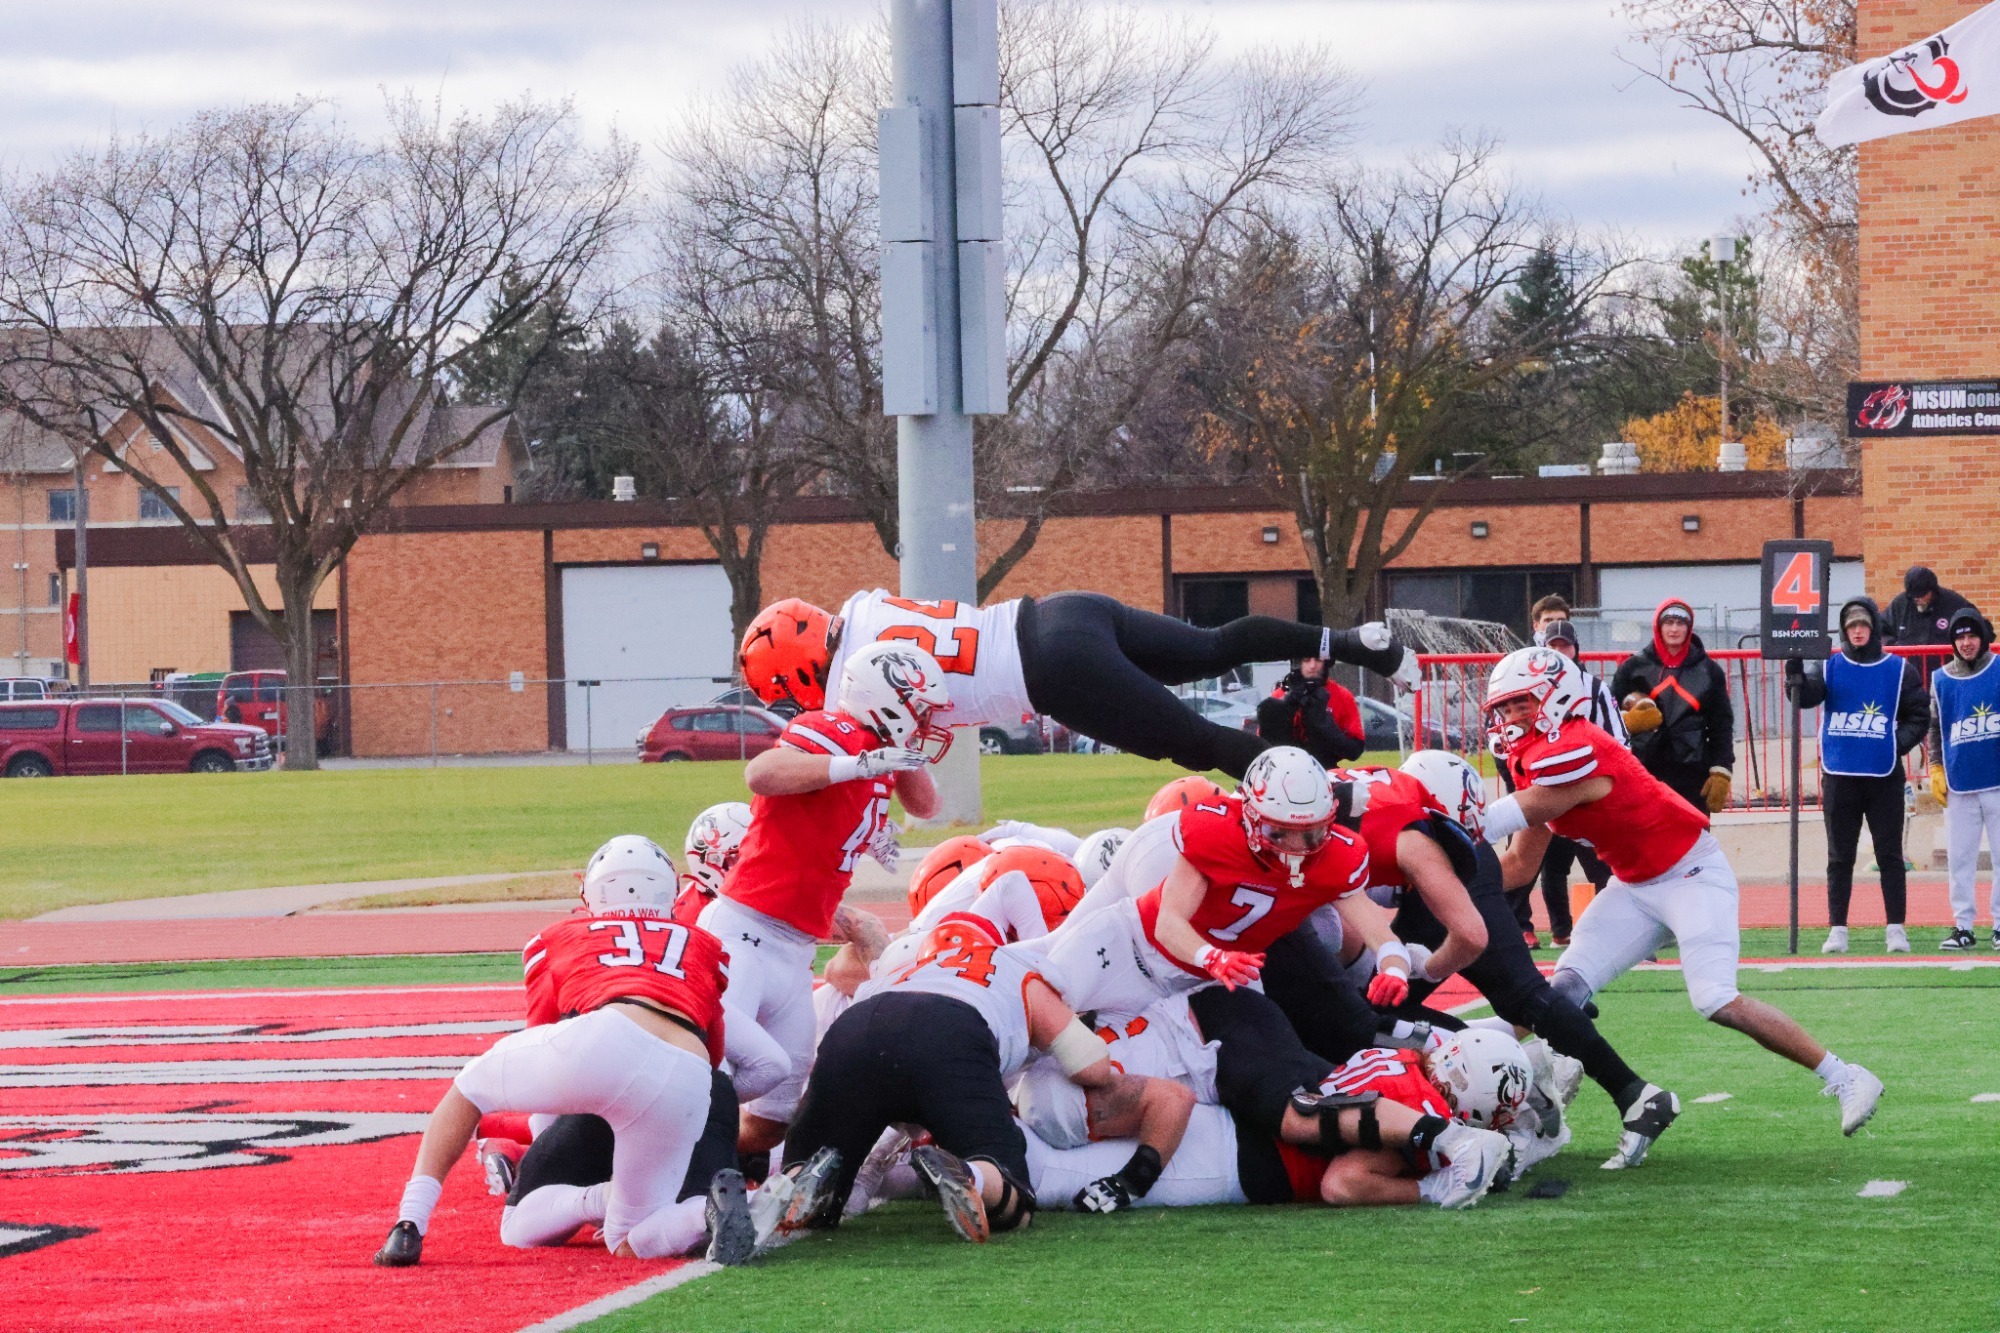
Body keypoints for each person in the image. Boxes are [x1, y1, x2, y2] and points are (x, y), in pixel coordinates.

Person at [1482, 647, 1884, 1162]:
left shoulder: (1579, 746)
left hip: (1691, 874)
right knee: (1559, 992)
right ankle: (1628, 1103)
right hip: (1632, 888)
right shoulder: (1535, 760)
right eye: (1506, 708)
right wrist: (1448, 888)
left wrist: (1438, 821)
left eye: (1522, 704)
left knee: (1714, 998)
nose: (1512, 718)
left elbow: (1507, 816)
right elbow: (1518, 864)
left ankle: (1846, 1075)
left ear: (1557, 697)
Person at [372, 836, 747, 1267]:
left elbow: (545, 1028)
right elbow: (713, 1048)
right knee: (630, 1239)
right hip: (688, 1071)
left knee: (470, 1087)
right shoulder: (703, 944)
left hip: (608, 1036)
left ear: (592, 892)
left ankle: (409, 1224)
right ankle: (709, 1212)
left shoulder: (561, 934)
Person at [783, 914, 1196, 1241]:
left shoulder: (904, 971)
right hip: (949, 1034)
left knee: (819, 1183)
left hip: (855, 1029)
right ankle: (976, 1176)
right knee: (1014, 1198)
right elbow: (1090, 1064)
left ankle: (791, 1186)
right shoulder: (1017, 968)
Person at [738, 590, 1420, 781]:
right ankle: (1353, 642)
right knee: (1211, 647)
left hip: (1052, 673)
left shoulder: (855, 682)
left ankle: (1325, 793)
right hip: (1062, 611)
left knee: (1199, 742)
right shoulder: (862, 607)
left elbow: (918, 758)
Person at [705, 640, 948, 1154]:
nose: (925, 720)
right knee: (707, 1073)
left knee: (772, 1116)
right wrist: (856, 765)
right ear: (884, 698)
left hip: (794, 951)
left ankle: (695, 1167)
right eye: (918, 706)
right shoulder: (833, 731)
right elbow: (761, 774)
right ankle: (632, 1169)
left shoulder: (881, 755)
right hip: (744, 931)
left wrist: (900, 752)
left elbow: (926, 805)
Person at [1039, 746, 1391, 1023]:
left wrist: (1397, 965)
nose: (1294, 849)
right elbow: (1167, 925)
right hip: (1142, 948)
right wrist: (1213, 957)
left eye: (1311, 833)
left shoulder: (1332, 853)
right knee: (1050, 1002)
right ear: (1245, 815)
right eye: (1278, 832)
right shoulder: (1207, 838)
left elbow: (1373, 926)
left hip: (1209, 970)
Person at [1784, 598, 1927, 954]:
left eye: (1863, 625)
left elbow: (1919, 716)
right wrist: (1794, 675)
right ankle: (1838, 929)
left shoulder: (1900, 669)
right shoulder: (1830, 667)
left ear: (1874, 628)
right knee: (1839, 856)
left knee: (1890, 855)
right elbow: (1806, 696)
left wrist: (1895, 745)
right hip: (1839, 777)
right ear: (1844, 630)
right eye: (1851, 626)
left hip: (1884, 776)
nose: (1858, 631)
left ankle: (1896, 929)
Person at [1518, 617, 1621, 947]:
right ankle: (1555, 931)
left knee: (1605, 867)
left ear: (1576, 649)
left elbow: (1620, 743)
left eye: (1565, 646)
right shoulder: (1531, 694)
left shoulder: (1595, 689)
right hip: (1548, 795)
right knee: (1545, 865)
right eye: (1553, 646)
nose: (1560, 652)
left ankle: (1619, 935)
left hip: (1589, 795)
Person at [1610, 598, 1736, 815]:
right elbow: (1607, 717)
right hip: (1643, 769)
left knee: (1693, 842)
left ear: (1689, 627)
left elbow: (1721, 725)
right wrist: (1628, 722)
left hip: (1692, 771)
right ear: (1658, 626)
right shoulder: (1632, 668)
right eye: (1668, 622)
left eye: (1680, 623)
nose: (1674, 629)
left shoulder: (1709, 671)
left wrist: (1721, 769)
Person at [1927, 607, 2000, 951]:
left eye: (1972, 635)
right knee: (1960, 858)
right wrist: (1936, 766)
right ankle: (1963, 926)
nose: (1967, 642)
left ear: (1983, 637)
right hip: (1959, 783)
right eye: (1960, 637)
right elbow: (1934, 726)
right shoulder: (1941, 679)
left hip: (1997, 781)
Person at [1256, 656, 1365, 766]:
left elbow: (1354, 751)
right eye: (1307, 659)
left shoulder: (1342, 696)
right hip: (1284, 769)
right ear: (1298, 663)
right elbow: (1265, 745)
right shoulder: (1279, 695)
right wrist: (1288, 706)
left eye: (1318, 660)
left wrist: (1323, 723)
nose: (1312, 666)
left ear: (1326, 662)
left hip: (1325, 770)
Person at [1885, 565, 1975, 648]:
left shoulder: (1954, 603)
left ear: (1932, 590)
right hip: (1907, 663)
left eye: (1922, 595)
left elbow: (1977, 628)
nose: (1918, 599)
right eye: (1914, 597)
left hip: (1945, 664)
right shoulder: (1899, 604)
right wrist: (1893, 647)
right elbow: (1882, 631)